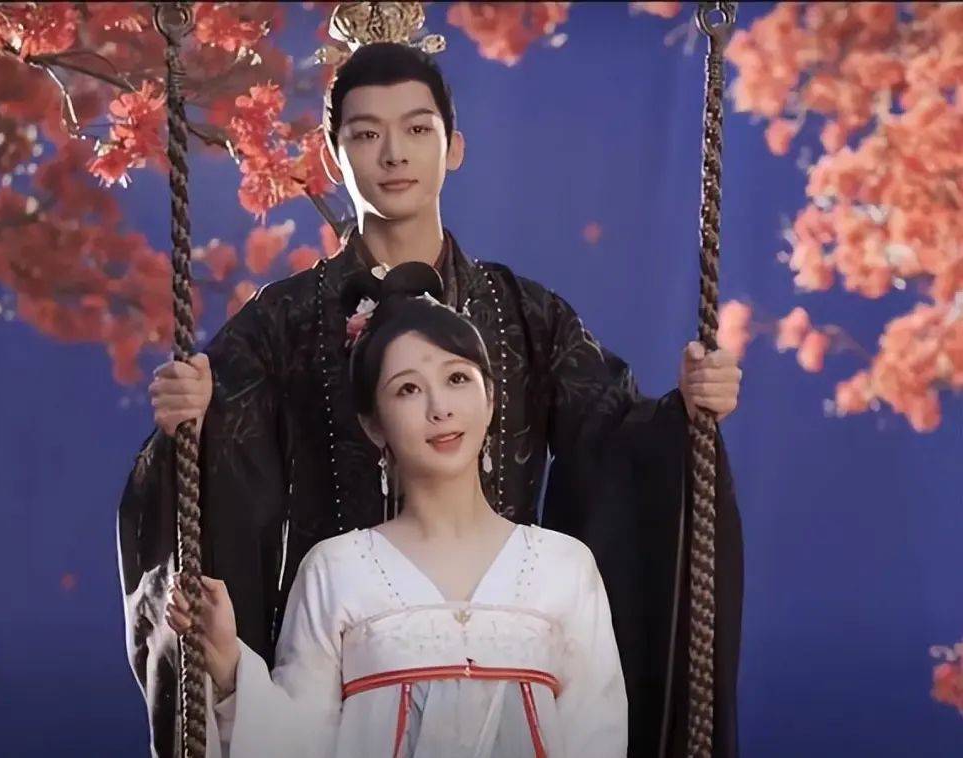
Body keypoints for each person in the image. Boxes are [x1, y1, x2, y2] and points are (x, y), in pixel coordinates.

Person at [118, 42, 743, 757]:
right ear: (333, 155)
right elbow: (213, 470)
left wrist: (684, 419)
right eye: (366, 134)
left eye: (418, 129)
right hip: (342, 640)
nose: (394, 155)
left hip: (511, 614)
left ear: (455, 147)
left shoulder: (524, 314)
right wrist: (194, 418)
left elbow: (617, 438)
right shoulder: (281, 322)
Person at [166, 263, 628, 757]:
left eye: (457, 378)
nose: (439, 408)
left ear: (491, 397)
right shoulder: (336, 570)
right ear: (373, 424)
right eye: (408, 389)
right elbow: (301, 745)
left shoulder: (564, 567)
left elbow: (597, 740)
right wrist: (230, 667)